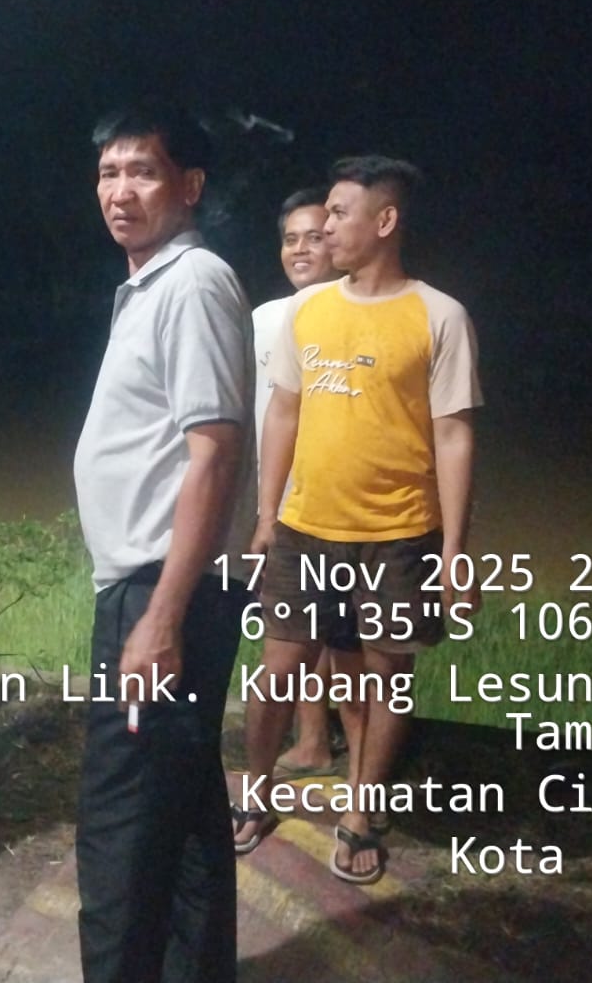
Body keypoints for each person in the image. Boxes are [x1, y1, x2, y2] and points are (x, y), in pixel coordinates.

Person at [248, 155, 481, 885]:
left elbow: (453, 434)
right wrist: (266, 514)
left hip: (400, 534)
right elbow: (283, 413)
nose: (325, 228)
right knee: (278, 669)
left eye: (340, 214)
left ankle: (361, 811)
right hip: (304, 527)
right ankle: (256, 792)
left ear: (385, 221)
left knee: (385, 677)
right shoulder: (308, 312)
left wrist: (455, 547)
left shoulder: (439, 316)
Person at [72, 101, 255, 983]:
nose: (120, 191)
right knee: (181, 817)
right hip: (156, 585)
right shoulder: (153, 285)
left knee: (121, 831)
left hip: (161, 590)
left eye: (142, 171)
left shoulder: (192, 283)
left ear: (190, 185)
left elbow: (214, 454)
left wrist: (162, 619)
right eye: (109, 173)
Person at [246, 187, 347, 804]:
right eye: (291, 239)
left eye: (315, 237)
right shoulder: (263, 318)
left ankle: (334, 751)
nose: (302, 249)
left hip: (338, 501)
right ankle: (311, 741)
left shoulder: (355, 314)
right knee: (287, 632)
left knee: (341, 638)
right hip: (276, 497)